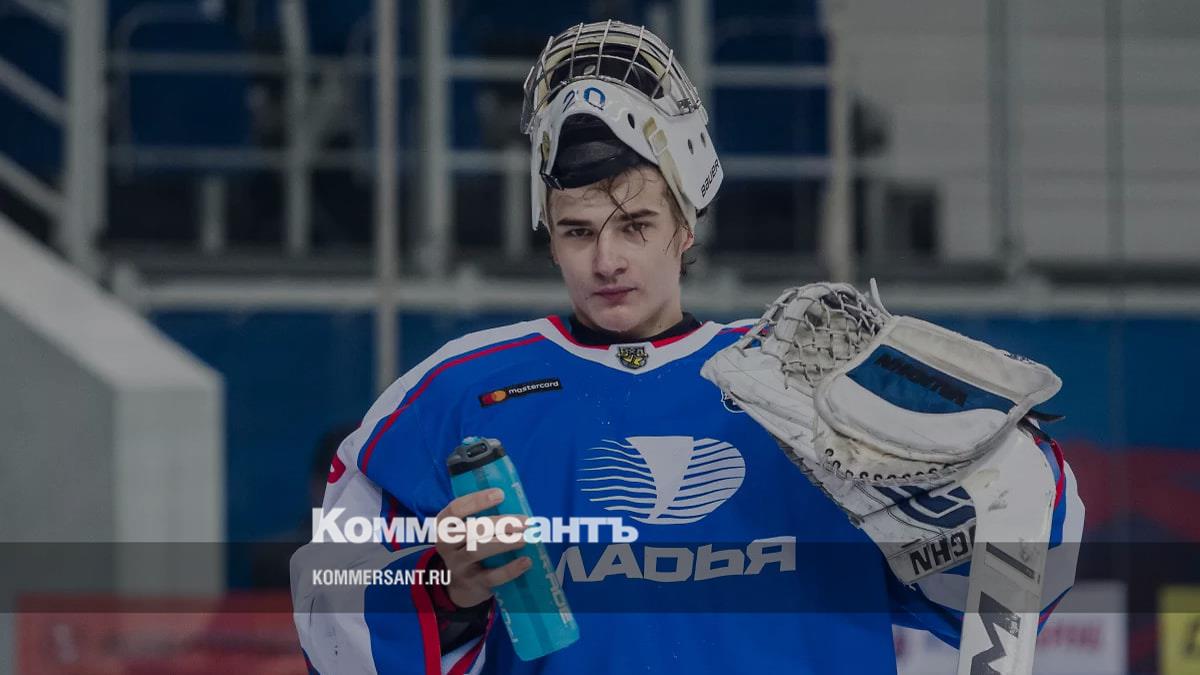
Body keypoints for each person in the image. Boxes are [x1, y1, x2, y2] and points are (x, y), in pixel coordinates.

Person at [291, 21, 1083, 674]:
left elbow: (1016, 581)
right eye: (578, 231)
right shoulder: (454, 393)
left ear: (686, 223)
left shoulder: (820, 386)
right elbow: (324, 607)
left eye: (635, 225)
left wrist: (999, 479)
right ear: (549, 235)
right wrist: (441, 585)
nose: (607, 260)